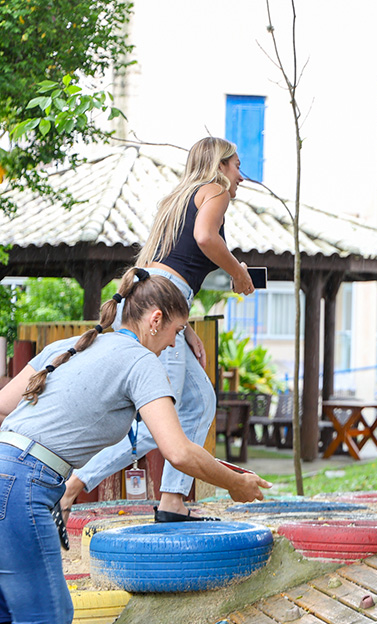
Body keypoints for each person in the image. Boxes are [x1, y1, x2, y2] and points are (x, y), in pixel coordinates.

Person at [0, 267, 270, 624]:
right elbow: (178, 451)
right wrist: (235, 483)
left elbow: (4, 404)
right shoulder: (141, 361)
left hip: (12, 471)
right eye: (176, 331)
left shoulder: (69, 346)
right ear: (156, 320)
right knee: (47, 614)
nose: (175, 343)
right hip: (25, 485)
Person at [60, 137, 257, 523]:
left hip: (155, 302)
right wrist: (238, 271)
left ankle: (172, 500)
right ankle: (76, 482)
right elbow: (204, 238)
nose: (241, 177)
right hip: (160, 305)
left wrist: (183, 327)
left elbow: (164, 265)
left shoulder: (178, 198)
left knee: (199, 404)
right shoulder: (215, 189)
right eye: (237, 166)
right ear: (221, 165)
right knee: (159, 421)